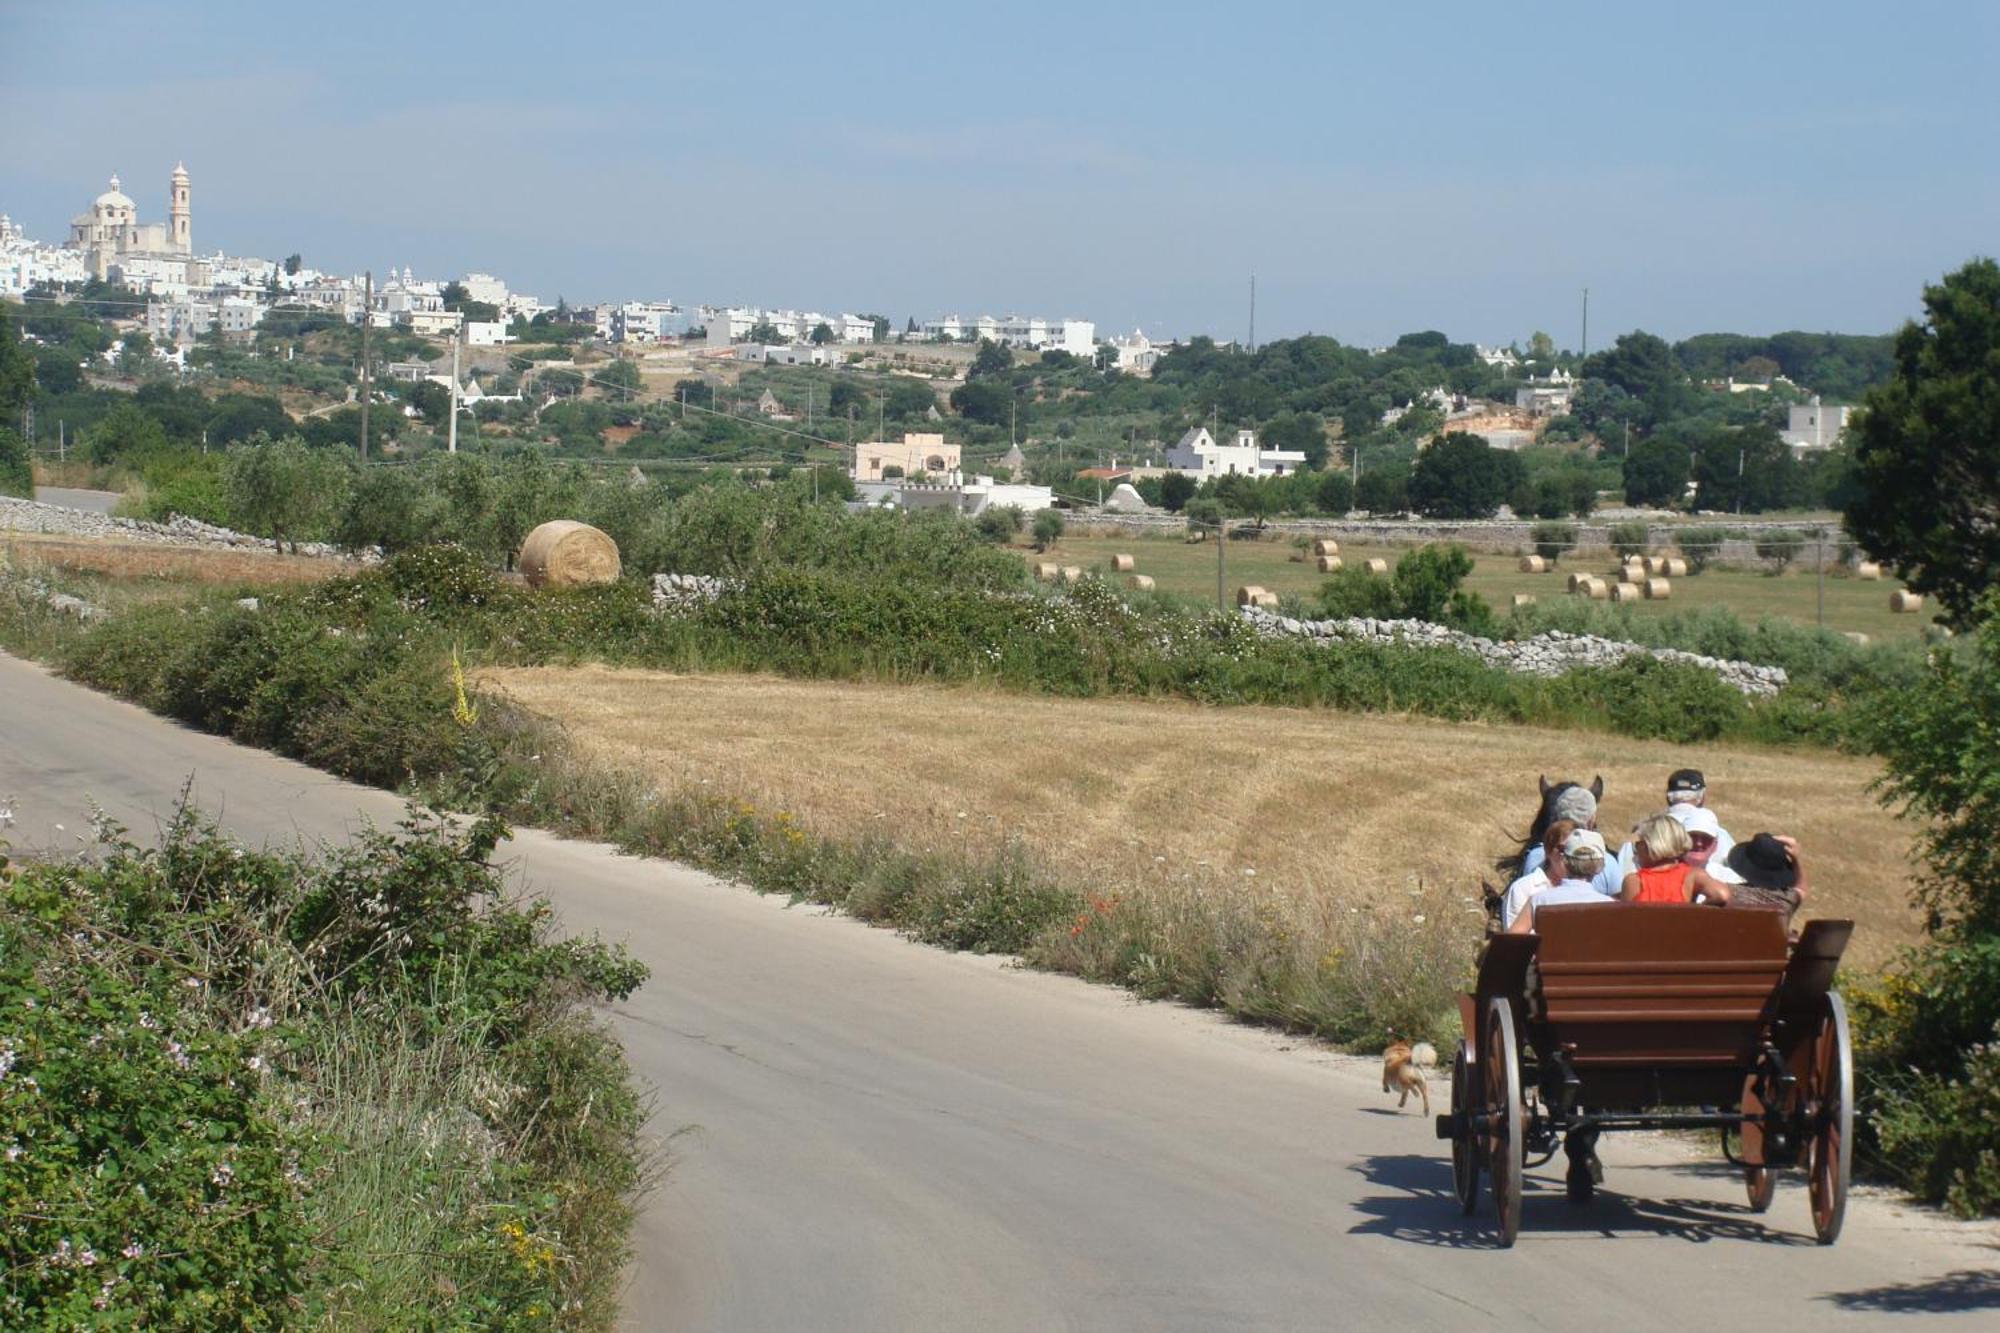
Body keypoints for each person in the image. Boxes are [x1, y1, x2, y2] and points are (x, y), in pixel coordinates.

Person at [1617, 768, 1736, 879]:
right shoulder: (1719, 835)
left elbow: (1622, 876)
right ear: (1702, 797)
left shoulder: (1641, 834)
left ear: (1668, 797)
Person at [1507, 830, 1617, 934]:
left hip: (1548, 954)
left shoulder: (1540, 900)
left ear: (1565, 861)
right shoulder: (1611, 907)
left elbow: (1513, 940)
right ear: (1600, 867)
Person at [1619, 813, 1732, 906]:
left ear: (1652, 845)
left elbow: (1627, 921)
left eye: (1638, 844)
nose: (1636, 851)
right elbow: (1722, 894)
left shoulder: (1633, 881)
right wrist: (1698, 911)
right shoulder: (1692, 875)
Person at [1722, 832, 1809, 924]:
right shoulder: (1787, 899)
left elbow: (1716, 891)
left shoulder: (1733, 893)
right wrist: (1796, 859)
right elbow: (1801, 889)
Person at [1501, 819, 1571, 930]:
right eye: (1563, 849)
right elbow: (1514, 940)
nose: (1569, 856)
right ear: (1548, 851)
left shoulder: (1583, 889)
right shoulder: (1523, 888)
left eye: (1575, 851)